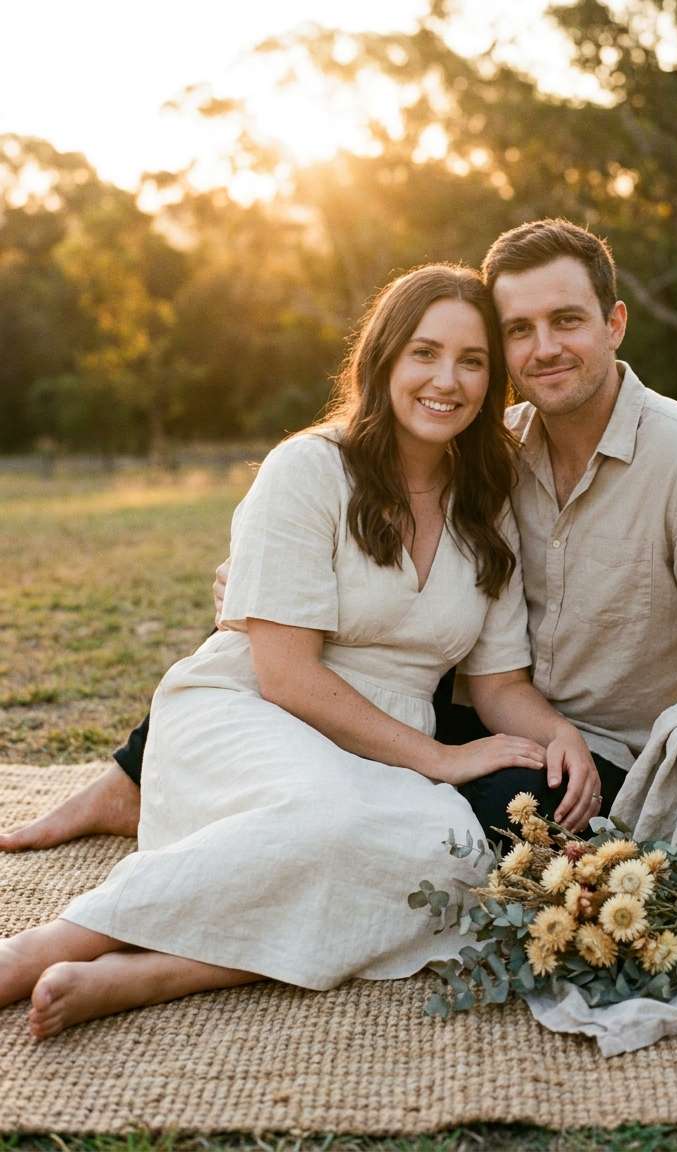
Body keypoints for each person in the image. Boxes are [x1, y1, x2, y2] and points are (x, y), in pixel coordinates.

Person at [2, 217, 677, 846]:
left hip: (600, 752)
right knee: (263, 661)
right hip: (479, 705)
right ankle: (127, 790)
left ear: (615, 323)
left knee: (500, 825)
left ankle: (274, 838)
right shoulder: (497, 450)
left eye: (567, 321)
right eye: (520, 330)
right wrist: (261, 580)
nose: (544, 348)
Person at [0, 263, 611, 1040]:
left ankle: (160, 972)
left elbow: (499, 685)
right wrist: (444, 760)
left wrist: (559, 736)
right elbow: (285, 674)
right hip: (249, 707)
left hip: (382, 747)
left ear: (493, 382)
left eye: (472, 361)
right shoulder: (310, 470)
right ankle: (50, 943)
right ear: (384, 359)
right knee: (325, 816)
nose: (446, 380)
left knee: (450, 851)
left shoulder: (486, 503)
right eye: (424, 353)